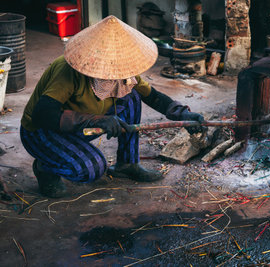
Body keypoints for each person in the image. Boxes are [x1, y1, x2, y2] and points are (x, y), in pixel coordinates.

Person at [20, 15, 204, 198]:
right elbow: (42, 115)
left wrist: (183, 114)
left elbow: (153, 97)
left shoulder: (124, 72)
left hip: (81, 126)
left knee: (131, 96)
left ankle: (127, 164)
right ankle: (45, 168)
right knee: (92, 169)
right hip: (42, 132)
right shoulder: (68, 70)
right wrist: (98, 120)